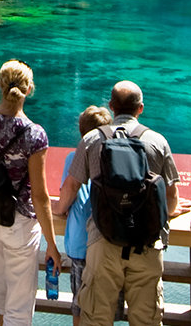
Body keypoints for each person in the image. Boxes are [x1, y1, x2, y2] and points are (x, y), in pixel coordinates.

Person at [56, 80, 182, 326]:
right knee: (146, 319)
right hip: (146, 243)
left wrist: (58, 209)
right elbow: (172, 197)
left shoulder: (92, 139)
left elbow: (71, 186)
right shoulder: (157, 141)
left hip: (103, 241)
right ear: (141, 108)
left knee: (96, 317)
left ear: (112, 106)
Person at [0, 60, 60, 326]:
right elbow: (40, 196)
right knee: (20, 304)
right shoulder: (35, 134)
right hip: (18, 223)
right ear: (29, 89)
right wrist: (52, 244)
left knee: (0, 288)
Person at [59, 105, 112, 319]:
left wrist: (57, 208)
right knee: (105, 309)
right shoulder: (116, 157)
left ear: (81, 131)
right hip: (109, 240)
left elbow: (67, 193)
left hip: (81, 242)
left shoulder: (73, 157)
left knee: (80, 306)